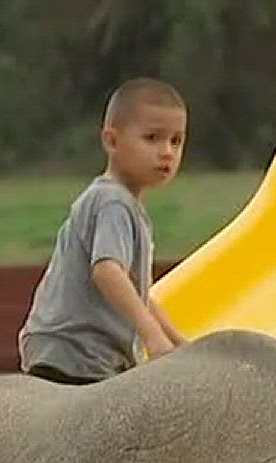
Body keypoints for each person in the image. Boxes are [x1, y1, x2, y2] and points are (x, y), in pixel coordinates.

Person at [18, 77, 190, 385]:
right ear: (111, 141)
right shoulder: (113, 201)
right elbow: (107, 272)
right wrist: (152, 337)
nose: (167, 152)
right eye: (152, 138)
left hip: (72, 349)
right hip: (75, 351)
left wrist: (179, 343)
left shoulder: (124, 205)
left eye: (176, 141)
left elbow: (137, 292)